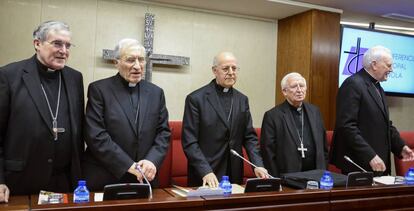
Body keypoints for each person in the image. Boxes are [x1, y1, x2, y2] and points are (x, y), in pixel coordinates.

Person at [0, 21, 84, 201]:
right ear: (37, 44)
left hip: (65, 182)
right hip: (21, 182)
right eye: (57, 43)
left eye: (68, 45)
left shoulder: (75, 78)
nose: (64, 50)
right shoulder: (9, 75)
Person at [82, 38, 171, 191]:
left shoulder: (156, 92)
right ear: (116, 62)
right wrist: (129, 165)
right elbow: (95, 135)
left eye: (141, 60)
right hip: (106, 176)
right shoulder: (99, 90)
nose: (137, 66)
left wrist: (151, 161)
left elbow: (163, 132)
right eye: (130, 60)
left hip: (145, 177)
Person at [182, 51, 269, 188]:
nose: (231, 72)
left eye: (234, 68)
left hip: (234, 172)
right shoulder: (196, 99)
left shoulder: (242, 100)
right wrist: (205, 170)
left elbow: (250, 137)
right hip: (206, 173)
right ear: (214, 71)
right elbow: (190, 142)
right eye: (225, 68)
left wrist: (258, 165)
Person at [330, 45, 414, 175]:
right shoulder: (353, 84)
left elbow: (386, 125)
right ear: (374, 65)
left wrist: (401, 147)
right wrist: (369, 155)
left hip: (377, 164)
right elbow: (346, 126)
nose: (391, 69)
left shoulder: (377, 87)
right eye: (388, 65)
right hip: (359, 165)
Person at [260, 72, 328, 177]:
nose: (299, 90)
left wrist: (324, 171)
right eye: (294, 86)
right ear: (284, 91)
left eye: (301, 86)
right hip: (287, 176)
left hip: (316, 174)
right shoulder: (273, 116)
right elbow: (268, 152)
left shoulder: (315, 111)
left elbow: (323, 146)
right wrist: (276, 178)